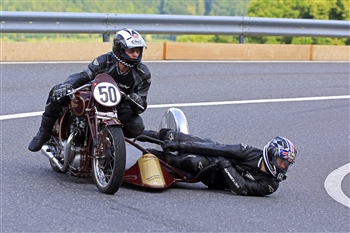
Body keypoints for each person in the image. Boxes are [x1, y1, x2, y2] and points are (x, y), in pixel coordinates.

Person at [28, 28, 151, 152]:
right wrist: (67, 85)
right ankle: (44, 132)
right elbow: (84, 76)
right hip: (94, 99)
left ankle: (111, 144)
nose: (136, 54)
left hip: (120, 105)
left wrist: (136, 99)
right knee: (57, 92)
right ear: (120, 49)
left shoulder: (143, 73)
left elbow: (141, 106)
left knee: (136, 126)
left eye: (138, 50)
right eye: (131, 51)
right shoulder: (104, 61)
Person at [142, 129, 297, 196]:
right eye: (281, 161)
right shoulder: (248, 152)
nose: (282, 167)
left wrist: (225, 165)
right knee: (174, 137)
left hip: (213, 175)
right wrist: (179, 145)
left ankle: (151, 155)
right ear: (270, 155)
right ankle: (138, 133)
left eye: (286, 164)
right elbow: (219, 149)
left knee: (194, 163)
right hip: (216, 155)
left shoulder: (270, 185)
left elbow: (241, 188)